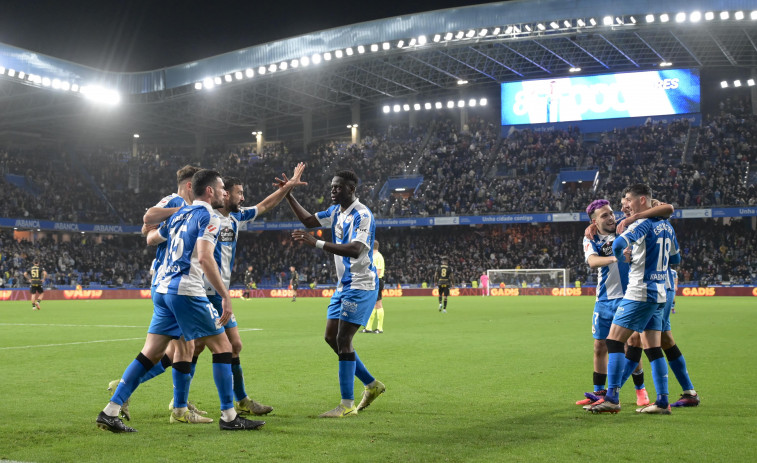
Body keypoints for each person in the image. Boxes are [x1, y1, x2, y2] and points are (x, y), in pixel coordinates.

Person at [96, 169, 265, 432]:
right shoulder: (208, 215)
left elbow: (151, 235)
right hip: (187, 290)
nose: (224, 193)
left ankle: (111, 410)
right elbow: (206, 258)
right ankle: (230, 416)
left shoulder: (179, 214)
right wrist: (225, 296)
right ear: (209, 191)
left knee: (150, 353)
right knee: (224, 348)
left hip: (163, 289)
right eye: (221, 189)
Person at [287, 169, 385, 418]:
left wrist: (316, 243)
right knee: (331, 338)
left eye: (338, 187)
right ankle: (372, 385)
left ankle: (346, 404)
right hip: (344, 286)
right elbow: (309, 221)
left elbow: (354, 249)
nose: (332, 191)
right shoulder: (335, 212)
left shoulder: (362, 215)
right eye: (332, 187)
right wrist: (288, 194)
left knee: (343, 340)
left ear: (351, 189)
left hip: (361, 284)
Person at [589, 184, 680, 415]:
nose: (625, 206)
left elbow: (619, 244)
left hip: (639, 292)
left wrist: (621, 257)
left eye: (628, 200)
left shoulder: (641, 224)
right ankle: (662, 402)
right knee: (653, 347)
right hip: (660, 293)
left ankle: (612, 398)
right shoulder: (666, 226)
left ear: (641, 200)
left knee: (614, 341)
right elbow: (676, 260)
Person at [577, 199, 650, 408]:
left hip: (629, 297)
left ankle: (640, 390)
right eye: (604, 215)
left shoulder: (625, 229)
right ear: (594, 221)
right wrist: (616, 258)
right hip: (604, 300)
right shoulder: (590, 237)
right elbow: (592, 261)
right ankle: (598, 393)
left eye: (611, 213)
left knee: (630, 344)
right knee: (600, 345)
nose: (611, 217)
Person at [362, 239, 385, 333]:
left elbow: (378, 271)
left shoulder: (378, 257)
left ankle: (380, 328)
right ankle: (369, 327)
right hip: (373, 281)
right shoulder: (373, 256)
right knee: (372, 304)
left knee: (378, 304)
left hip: (376, 281)